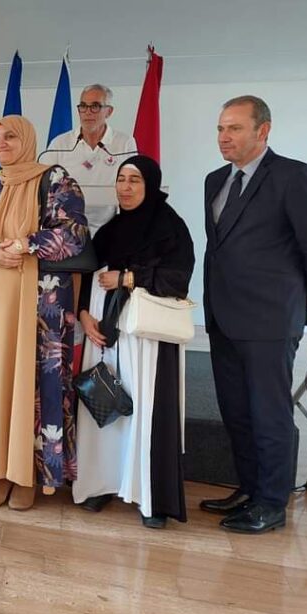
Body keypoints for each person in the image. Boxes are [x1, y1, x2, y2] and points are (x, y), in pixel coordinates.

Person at [201, 95, 307, 534]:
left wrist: (300, 300)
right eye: (221, 128)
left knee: (269, 413)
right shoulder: (215, 180)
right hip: (222, 316)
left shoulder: (293, 176)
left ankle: (272, 503)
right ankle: (249, 489)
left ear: (263, 130)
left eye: (235, 128)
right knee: (236, 411)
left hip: (271, 320)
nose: (224, 137)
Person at [0, 115, 88, 509]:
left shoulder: (56, 180)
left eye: (10, 136)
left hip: (41, 308)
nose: (1, 143)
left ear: (28, 140)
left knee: (34, 384)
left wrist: (22, 245)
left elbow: (74, 236)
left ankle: (27, 474)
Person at [73, 156, 195, 528]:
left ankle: (148, 496)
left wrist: (128, 278)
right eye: (121, 179)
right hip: (103, 332)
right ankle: (101, 482)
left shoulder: (170, 228)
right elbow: (88, 274)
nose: (125, 188)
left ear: (151, 185)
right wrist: (83, 315)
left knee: (143, 408)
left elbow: (177, 279)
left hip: (146, 338)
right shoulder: (109, 230)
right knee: (104, 404)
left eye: (135, 180)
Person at [48, 84, 137, 231]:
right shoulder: (60, 143)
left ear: (109, 111)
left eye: (95, 106)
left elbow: (134, 184)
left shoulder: (124, 143)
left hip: (111, 228)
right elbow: (45, 186)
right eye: (83, 106)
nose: (87, 112)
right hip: (66, 229)